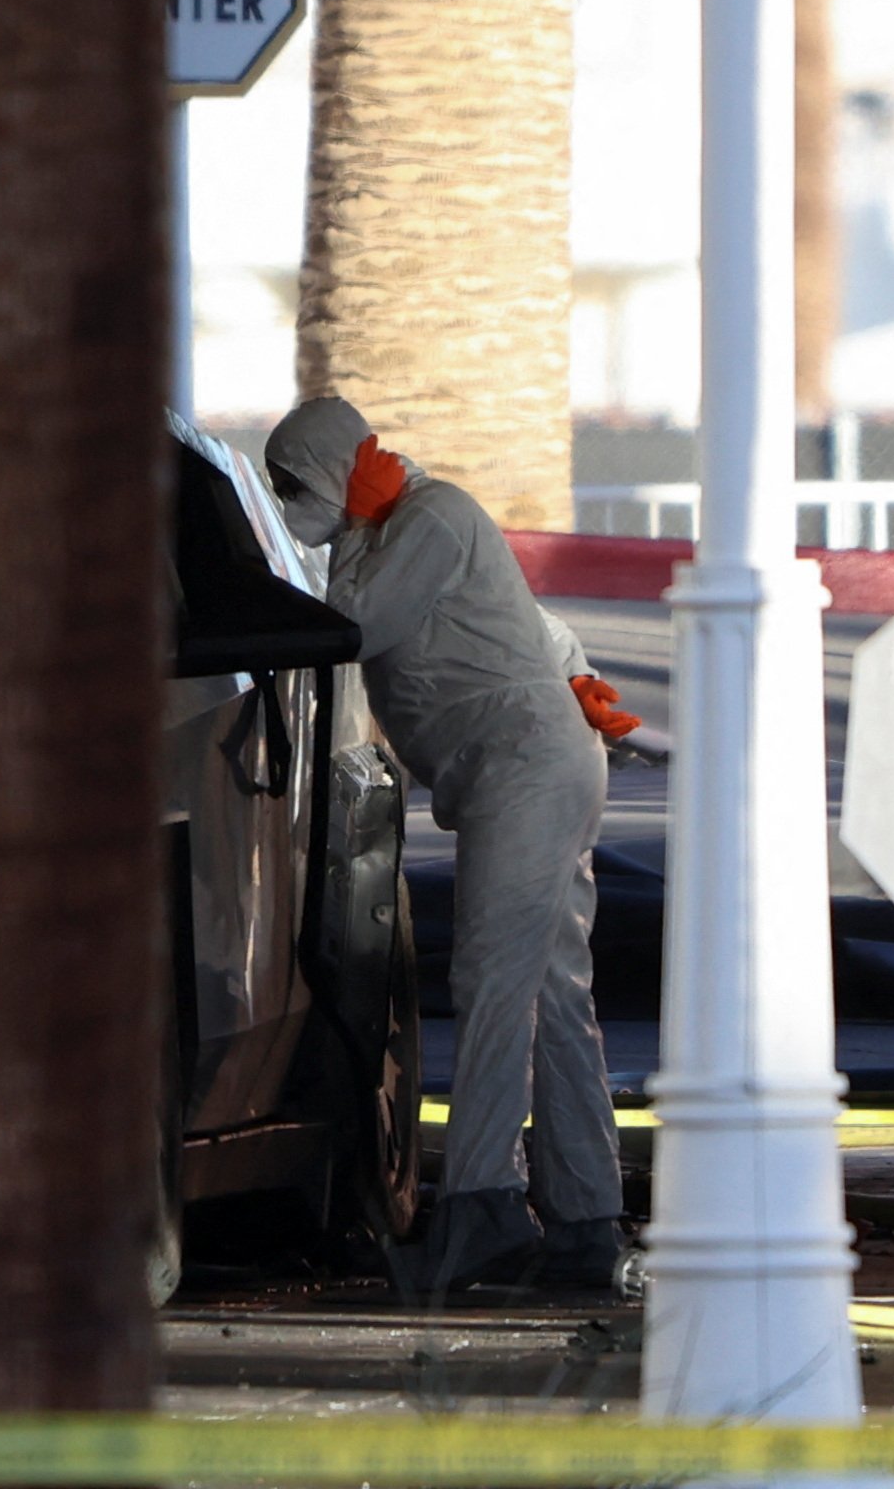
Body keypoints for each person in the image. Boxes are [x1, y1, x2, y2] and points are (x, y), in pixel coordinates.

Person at [263, 395, 640, 1295]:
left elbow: (353, 625)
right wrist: (571, 669)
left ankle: (483, 1211)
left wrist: (356, 527)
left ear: (331, 470)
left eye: (291, 484)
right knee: (552, 992)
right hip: (525, 770)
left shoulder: (429, 515)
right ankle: (585, 1220)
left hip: (527, 771)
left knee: (494, 985)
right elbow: (522, 619)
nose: (287, 504)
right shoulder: (416, 526)